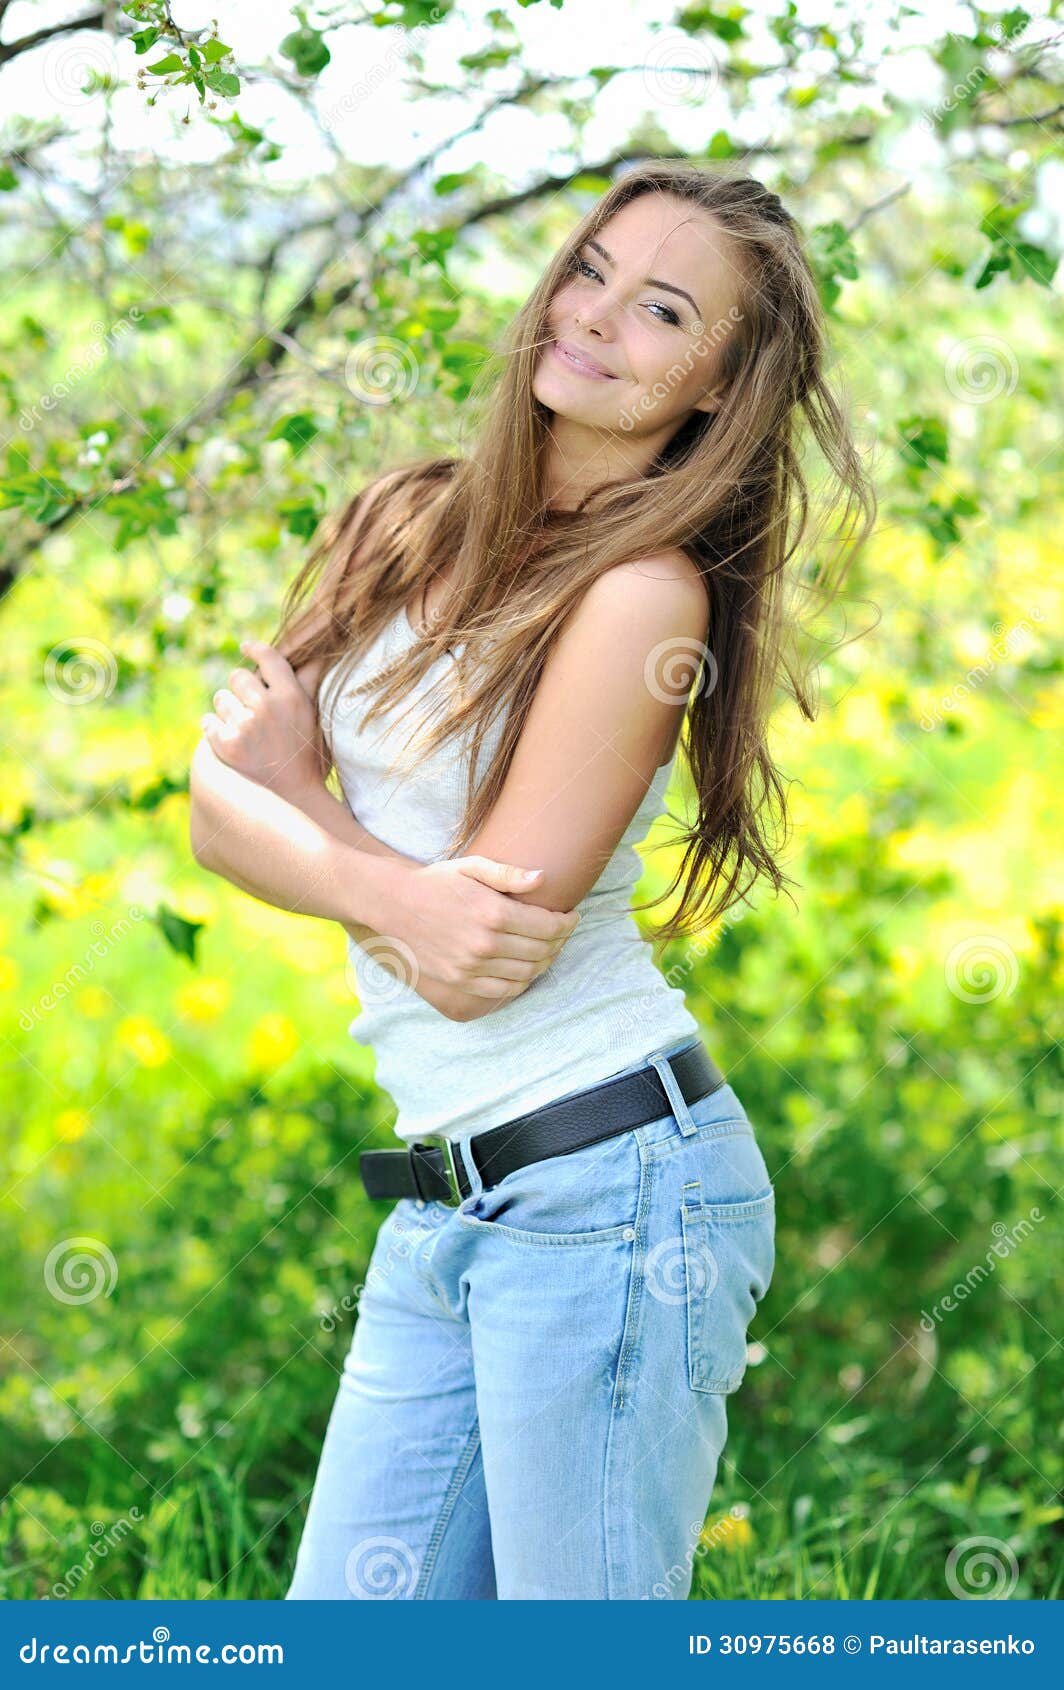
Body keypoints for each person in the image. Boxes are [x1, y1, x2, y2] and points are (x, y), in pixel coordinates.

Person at [189, 161, 875, 1599]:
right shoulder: (401, 519)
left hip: (615, 1195)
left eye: (662, 308)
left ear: (715, 386)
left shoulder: (642, 595)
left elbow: (476, 941)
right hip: (440, 1201)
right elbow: (210, 807)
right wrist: (376, 874)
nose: (597, 317)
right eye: (591, 271)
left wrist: (307, 807)